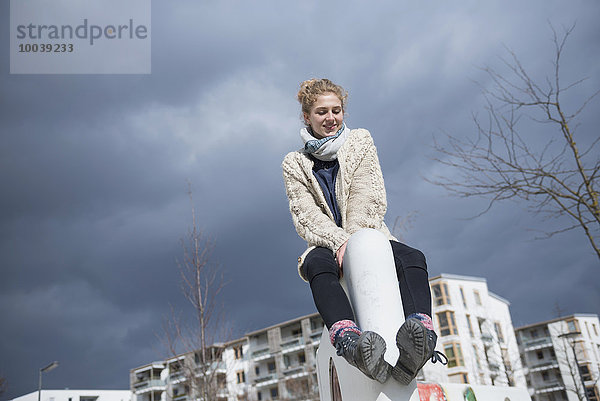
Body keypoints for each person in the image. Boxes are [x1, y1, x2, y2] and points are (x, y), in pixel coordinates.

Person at [282, 78, 446, 385]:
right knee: (316, 265)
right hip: (325, 243)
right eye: (321, 112)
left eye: (337, 110)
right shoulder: (294, 163)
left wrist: (355, 241)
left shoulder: (360, 142)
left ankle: (420, 334)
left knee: (411, 257)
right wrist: (339, 241)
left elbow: (368, 194)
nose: (330, 118)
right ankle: (349, 340)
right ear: (307, 117)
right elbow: (305, 214)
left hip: (368, 232)